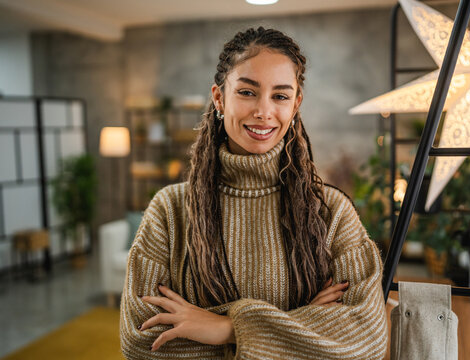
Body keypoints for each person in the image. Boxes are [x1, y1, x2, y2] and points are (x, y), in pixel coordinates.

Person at [120, 26, 388, 359]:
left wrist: (227, 328)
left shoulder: (331, 211)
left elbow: (367, 340)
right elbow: (140, 342)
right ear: (219, 97)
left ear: (295, 104)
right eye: (247, 92)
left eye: (280, 95)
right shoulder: (169, 210)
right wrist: (303, 327)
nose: (263, 111)